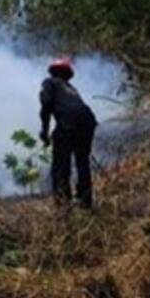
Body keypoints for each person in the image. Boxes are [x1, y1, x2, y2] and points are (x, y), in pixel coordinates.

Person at [39, 57, 97, 209]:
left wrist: (44, 133)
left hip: (68, 122)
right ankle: (85, 202)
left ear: (52, 72)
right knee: (82, 162)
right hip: (88, 121)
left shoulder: (49, 82)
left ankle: (63, 205)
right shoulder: (71, 89)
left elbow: (45, 105)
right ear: (68, 74)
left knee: (60, 165)